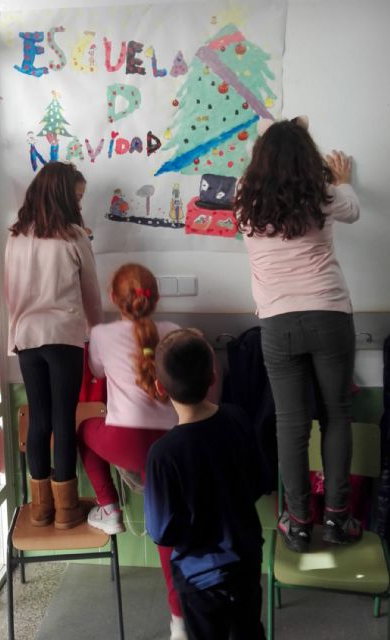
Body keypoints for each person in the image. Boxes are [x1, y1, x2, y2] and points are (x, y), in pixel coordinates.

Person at [235, 117, 361, 552]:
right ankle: (338, 519)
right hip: (330, 315)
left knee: (291, 424)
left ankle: (300, 523)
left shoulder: (245, 200)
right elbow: (354, 210)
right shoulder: (322, 194)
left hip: (279, 322)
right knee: (336, 416)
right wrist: (342, 179)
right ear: (308, 158)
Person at [77, 263, 187, 640]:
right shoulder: (174, 332)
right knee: (166, 535)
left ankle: (109, 508)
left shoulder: (101, 334)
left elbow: (96, 371)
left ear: (113, 299)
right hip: (170, 449)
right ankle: (179, 623)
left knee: (81, 430)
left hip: (122, 444)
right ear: (156, 297)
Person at [145, 329, 266, 640]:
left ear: (160, 387)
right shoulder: (238, 418)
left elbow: (161, 531)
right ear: (213, 377)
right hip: (246, 560)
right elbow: (257, 481)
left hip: (199, 577)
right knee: (249, 631)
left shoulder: (163, 453)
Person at [5, 161, 102, 530]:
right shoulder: (73, 237)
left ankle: (40, 509)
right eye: (77, 197)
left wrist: (16, 336)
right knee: (63, 419)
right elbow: (91, 296)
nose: (79, 204)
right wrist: (98, 335)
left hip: (27, 338)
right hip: (64, 337)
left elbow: (11, 293)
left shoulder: (16, 235)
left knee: (39, 419)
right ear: (62, 196)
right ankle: (66, 509)